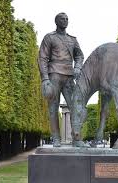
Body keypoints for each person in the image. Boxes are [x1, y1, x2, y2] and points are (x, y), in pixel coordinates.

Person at [38, 12, 84, 147]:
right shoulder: (49, 37)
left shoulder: (73, 39)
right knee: (53, 107)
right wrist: (45, 78)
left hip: (69, 75)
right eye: (63, 19)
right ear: (56, 22)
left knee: (75, 106)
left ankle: (76, 138)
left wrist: (78, 68)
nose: (65, 21)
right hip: (54, 74)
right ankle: (56, 138)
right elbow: (42, 57)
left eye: (67, 19)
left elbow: (79, 56)